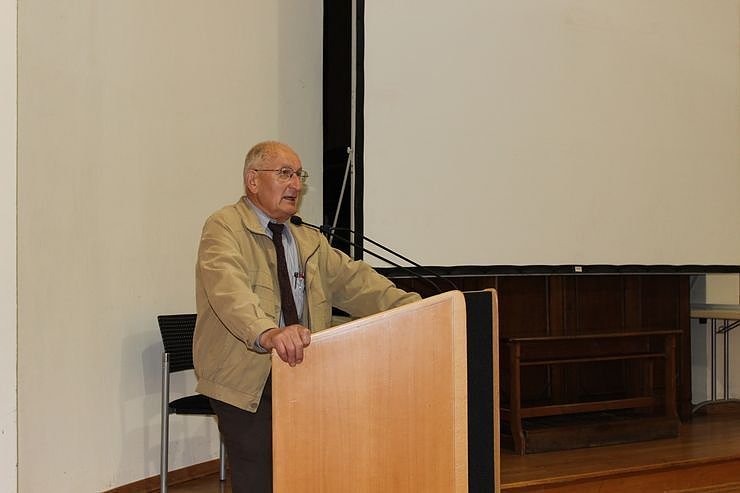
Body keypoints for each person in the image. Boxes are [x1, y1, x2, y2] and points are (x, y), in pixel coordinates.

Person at [193, 141, 421, 493]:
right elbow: (229, 292)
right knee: (260, 474)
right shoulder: (224, 227)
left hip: (303, 370)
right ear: (253, 180)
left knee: (310, 468)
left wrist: (417, 308)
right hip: (244, 376)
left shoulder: (307, 238)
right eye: (285, 174)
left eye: (299, 175)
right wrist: (268, 332)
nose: (296, 185)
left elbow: (358, 284)